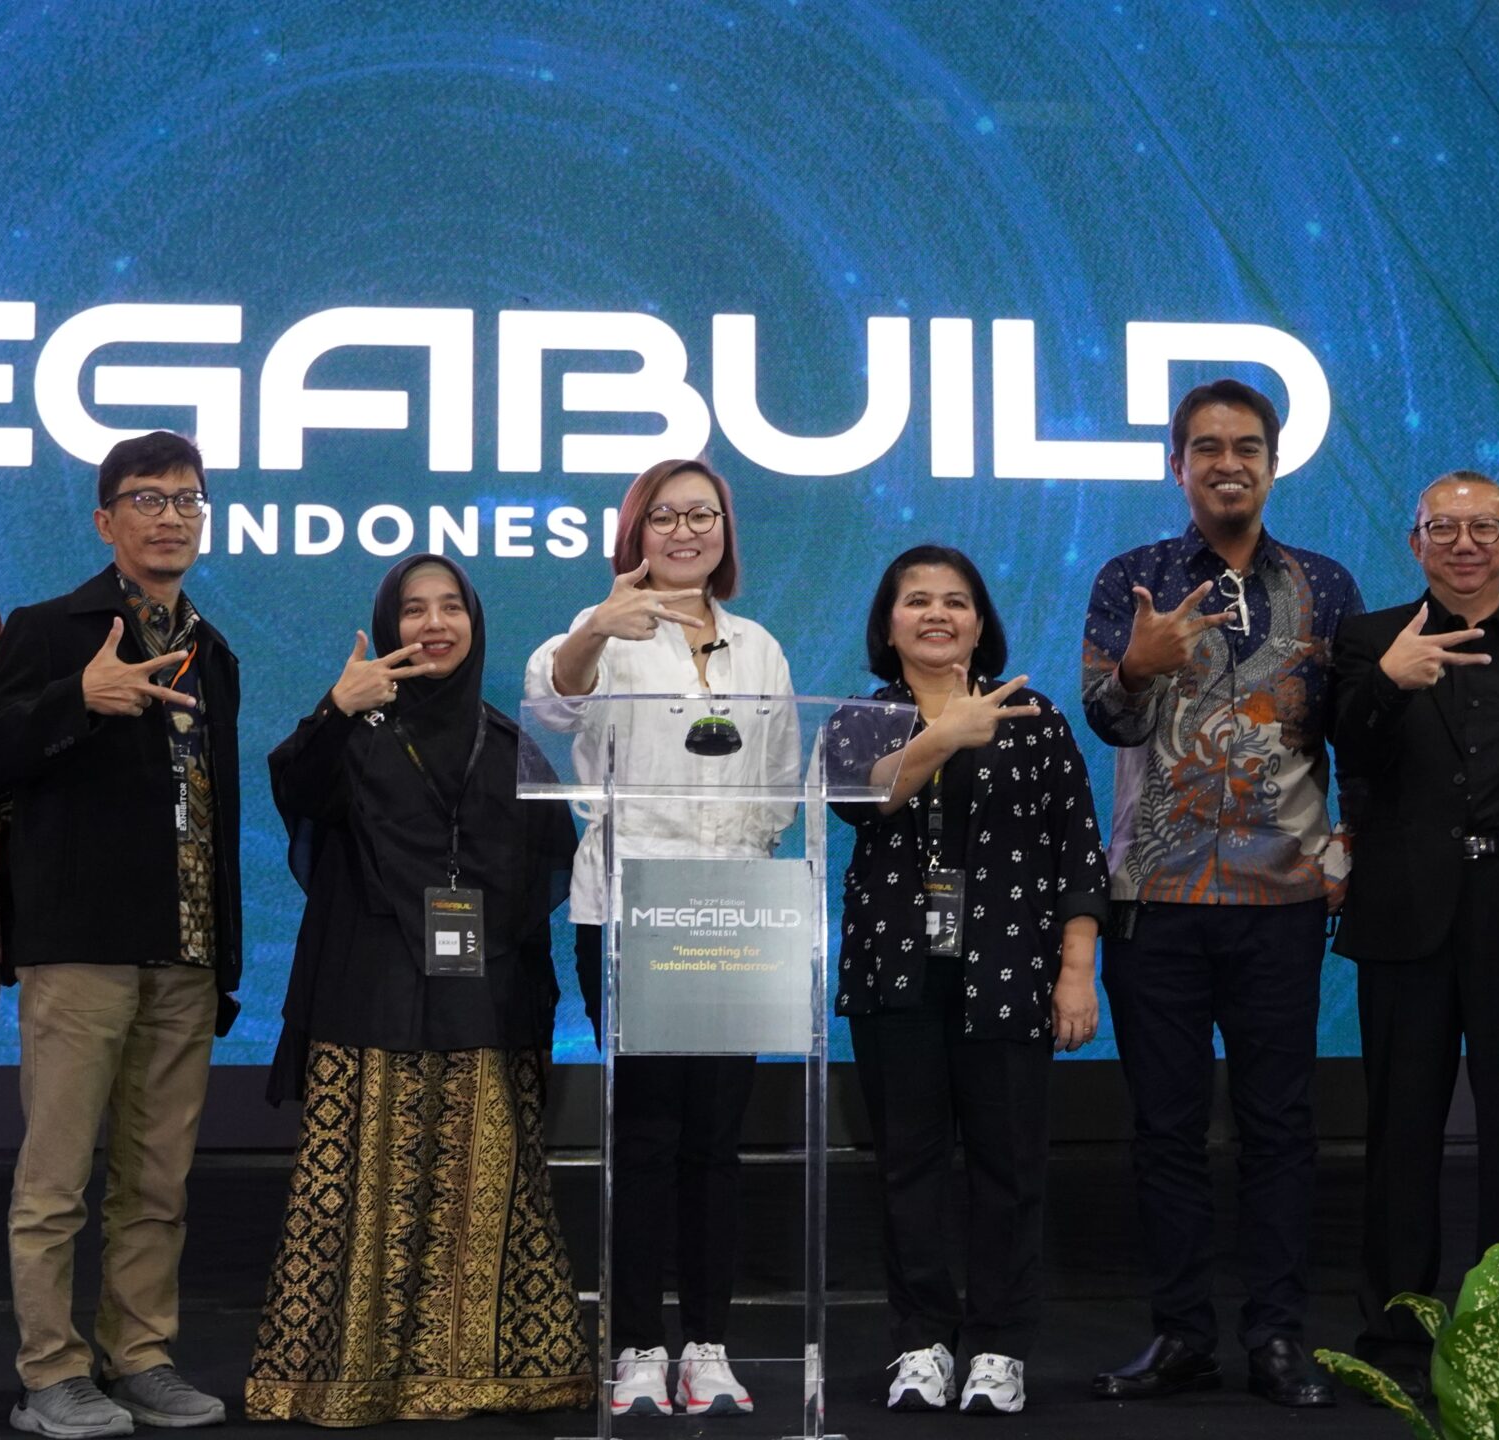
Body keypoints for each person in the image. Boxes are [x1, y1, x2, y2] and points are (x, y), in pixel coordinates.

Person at [244, 554, 591, 1425]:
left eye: (450, 608)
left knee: (482, 1188)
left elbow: (548, 867)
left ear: (474, 623)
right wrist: (334, 708)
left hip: (482, 1001)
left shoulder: (508, 743)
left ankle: (477, 1373)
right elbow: (298, 793)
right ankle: (350, 1378)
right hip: (370, 995)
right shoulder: (354, 729)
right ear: (388, 625)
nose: (434, 624)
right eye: (413, 609)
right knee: (362, 1194)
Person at [1081, 378, 1361, 1409]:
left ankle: (1278, 1336)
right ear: (1178, 465)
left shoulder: (1325, 584)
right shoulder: (1133, 577)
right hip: (1154, 900)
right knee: (1165, 1131)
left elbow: (1353, 729)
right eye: (1206, 448)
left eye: (1246, 447)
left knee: (1279, 1128)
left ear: (1274, 464)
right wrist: (1137, 668)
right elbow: (1107, 720)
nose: (1227, 464)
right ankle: (1181, 1335)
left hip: (1282, 901)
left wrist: (1350, 846)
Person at [0, 430, 241, 1438]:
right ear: (104, 520)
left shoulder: (215, 651)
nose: (170, 516)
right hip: (80, 946)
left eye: (187, 499)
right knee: (55, 1179)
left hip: (186, 951)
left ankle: (140, 1355)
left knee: (157, 1180)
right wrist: (78, 698)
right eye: (147, 498)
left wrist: (224, 957)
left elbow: (214, 813)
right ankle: (50, 1373)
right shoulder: (50, 630)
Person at [522, 457, 795, 1418]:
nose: (686, 532)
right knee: (643, 1138)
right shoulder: (605, 632)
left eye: (702, 515)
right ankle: (637, 1346)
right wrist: (599, 625)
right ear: (636, 532)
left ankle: (707, 1347)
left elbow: (779, 781)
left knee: (715, 1143)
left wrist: (746, 874)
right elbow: (553, 700)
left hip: (731, 917)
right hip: (629, 914)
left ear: (725, 531)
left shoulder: (760, 648)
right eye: (666, 517)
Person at [1327, 472, 1499, 1399]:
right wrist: (1388, 684)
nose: (1466, 543)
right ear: (1416, 542)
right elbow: (1348, 751)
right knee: (1402, 1131)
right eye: (1445, 528)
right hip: (1406, 915)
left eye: (1485, 527)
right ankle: (1396, 1332)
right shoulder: (1369, 640)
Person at [830, 545, 1109, 1417]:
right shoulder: (861, 718)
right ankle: (919, 1342)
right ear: (888, 625)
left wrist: (1077, 971)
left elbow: (1078, 851)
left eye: (955, 601)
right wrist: (942, 736)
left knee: (1009, 1168)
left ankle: (998, 1347)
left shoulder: (1034, 716)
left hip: (1010, 974)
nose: (937, 614)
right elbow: (858, 801)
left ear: (980, 622)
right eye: (916, 600)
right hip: (896, 976)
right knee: (907, 1167)